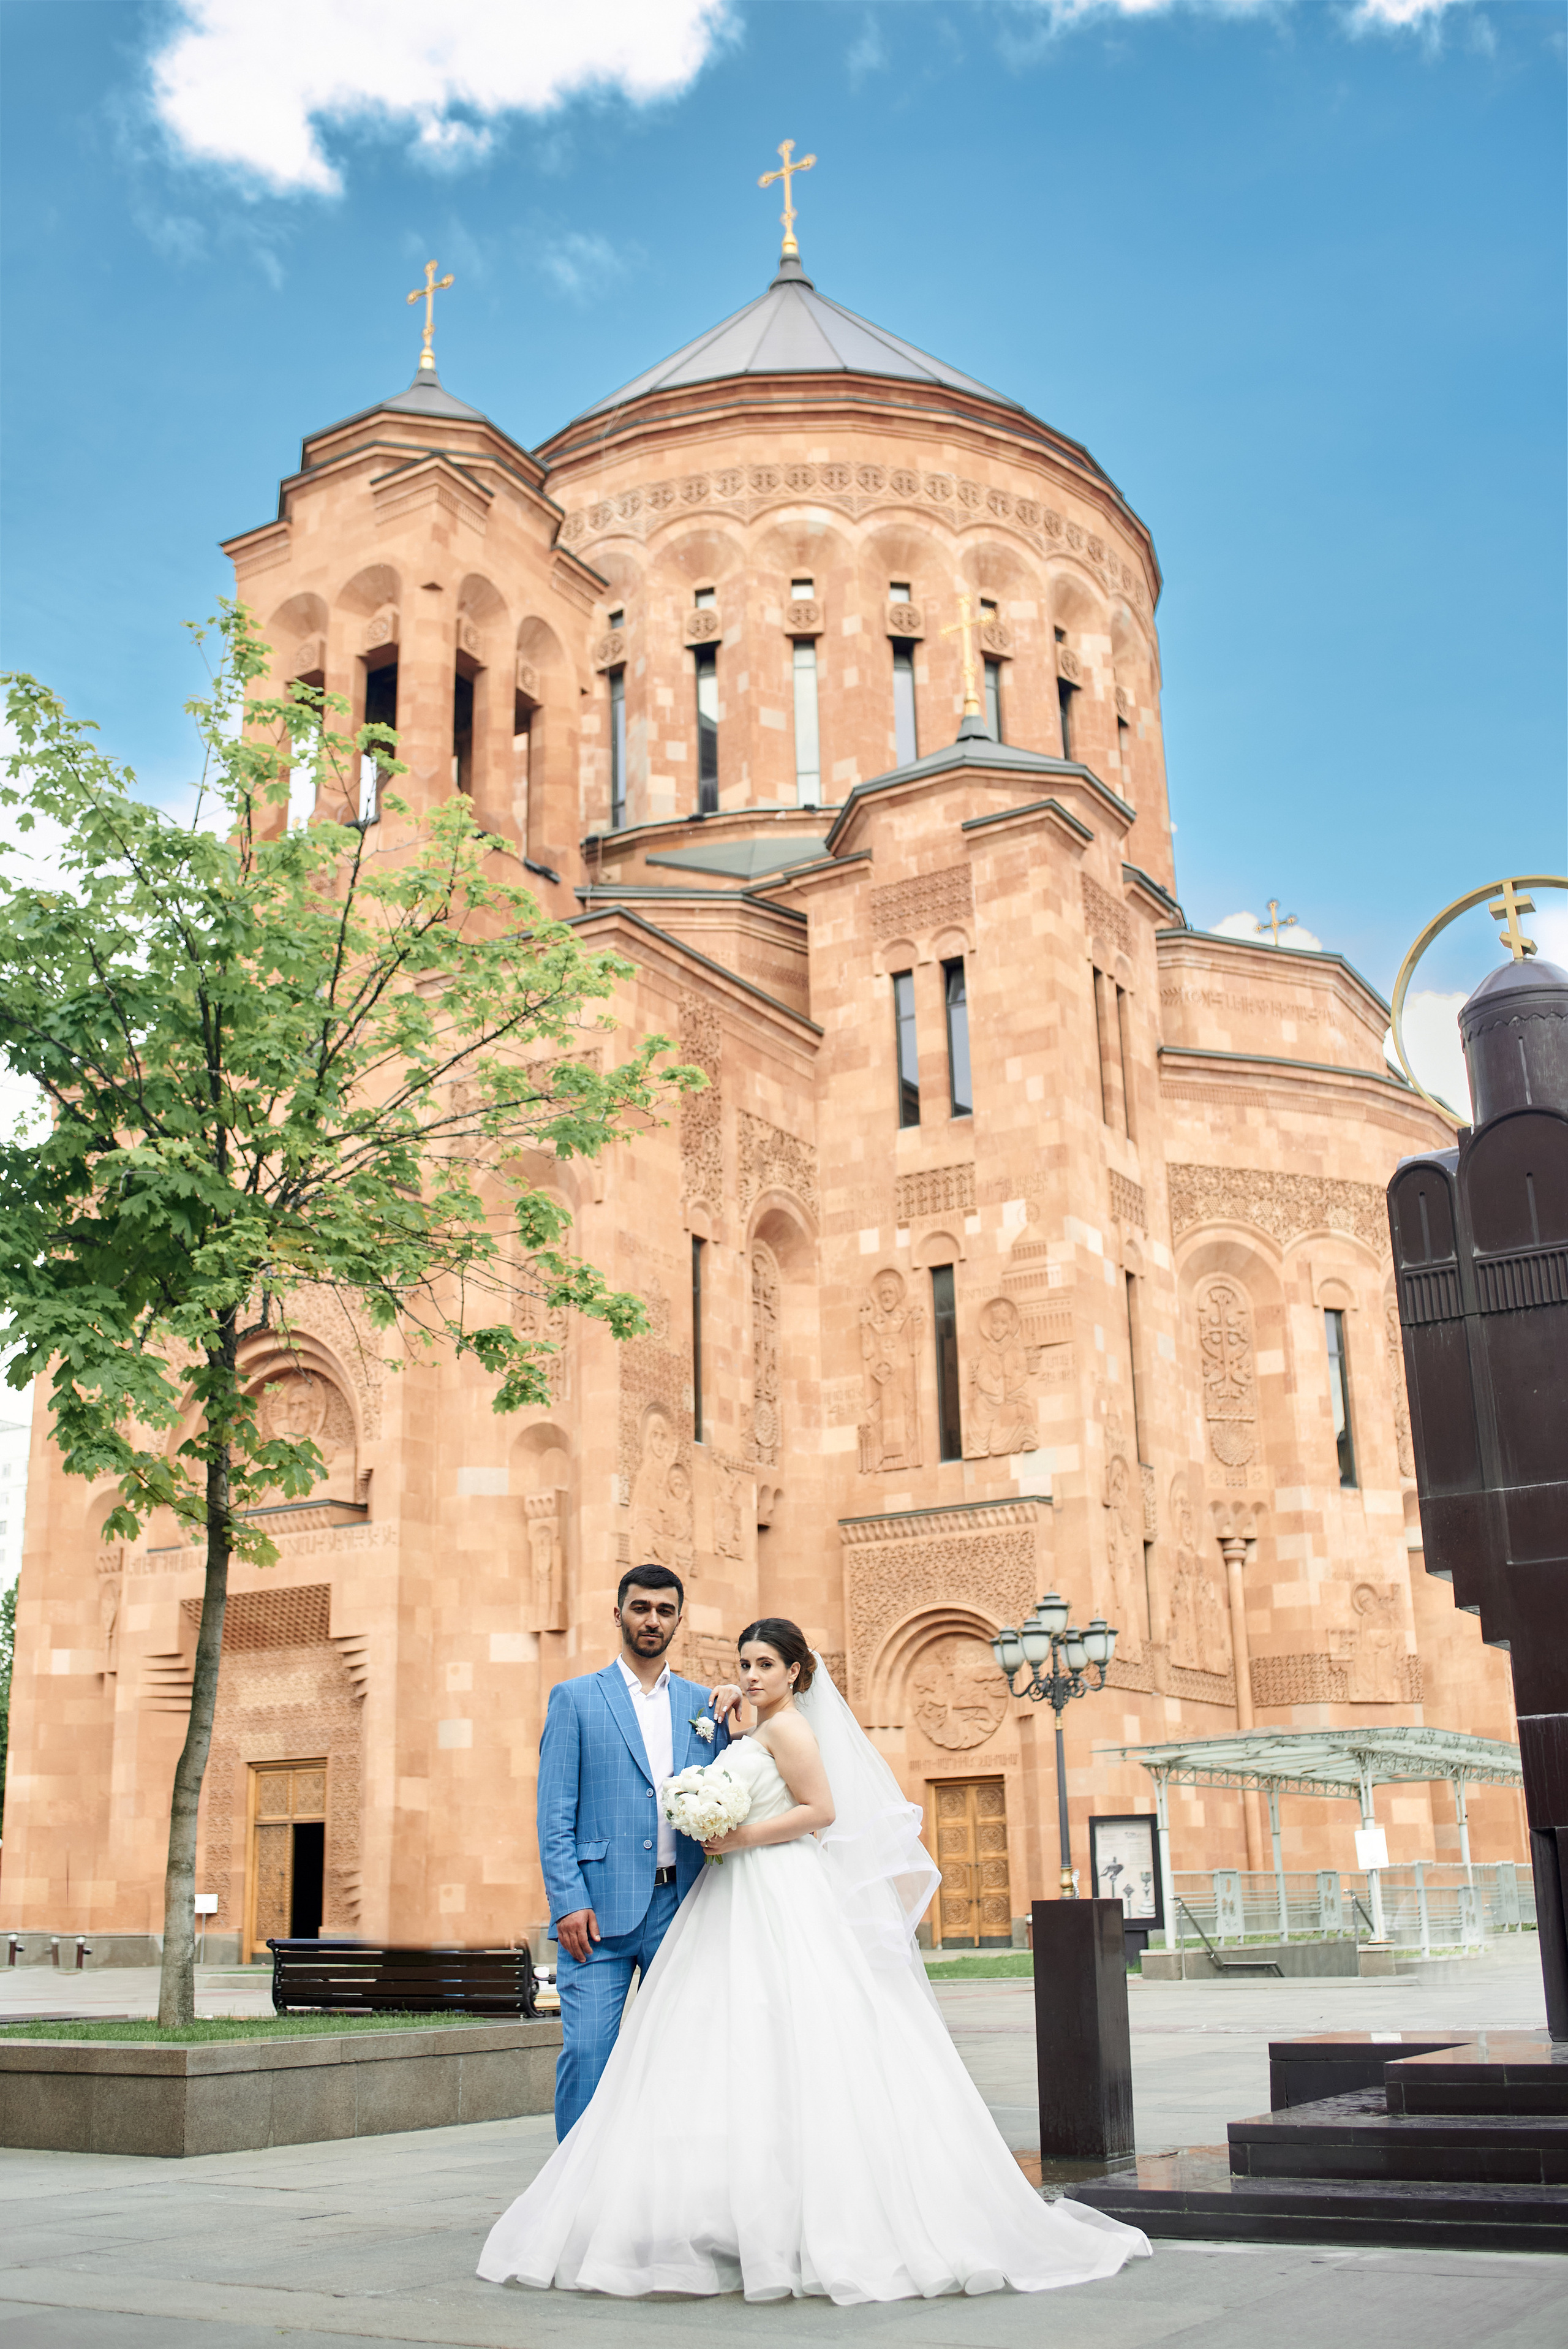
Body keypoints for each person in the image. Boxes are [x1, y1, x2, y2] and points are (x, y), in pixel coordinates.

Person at [481, 1616, 1150, 2303]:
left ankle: (807, 2214)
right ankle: (728, 2209)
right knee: (729, 2047)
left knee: (791, 2036)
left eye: (765, 1664)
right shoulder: (752, 1725)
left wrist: (739, 1836)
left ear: (796, 1672)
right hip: (733, 1894)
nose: (751, 1675)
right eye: (745, 1663)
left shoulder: (792, 1729)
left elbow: (822, 1810)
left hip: (775, 1887)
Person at [535, 1564, 739, 2138]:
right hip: (596, 1916)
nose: (653, 1620)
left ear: (678, 1618)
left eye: (665, 1610)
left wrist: (739, 1703)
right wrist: (568, 1902)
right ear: (618, 1611)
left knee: (685, 2059)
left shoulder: (706, 1706)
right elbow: (555, 1815)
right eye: (642, 1607)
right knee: (590, 2056)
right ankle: (574, 2198)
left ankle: (667, 2190)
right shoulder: (575, 1699)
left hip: (683, 1907)